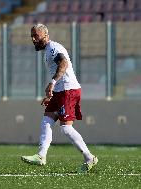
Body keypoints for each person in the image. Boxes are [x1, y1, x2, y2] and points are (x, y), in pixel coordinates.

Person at [21, 23, 98, 173]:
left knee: (66, 128)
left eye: (36, 36)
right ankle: (41, 156)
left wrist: (52, 83)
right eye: (32, 36)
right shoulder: (48, 50)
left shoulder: (53, 48)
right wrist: (53, 93)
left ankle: (89, 157)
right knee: (46, 121)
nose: (33, 39)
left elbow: (64, 64)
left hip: (68, 90)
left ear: (45, 35)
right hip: (61, 91)